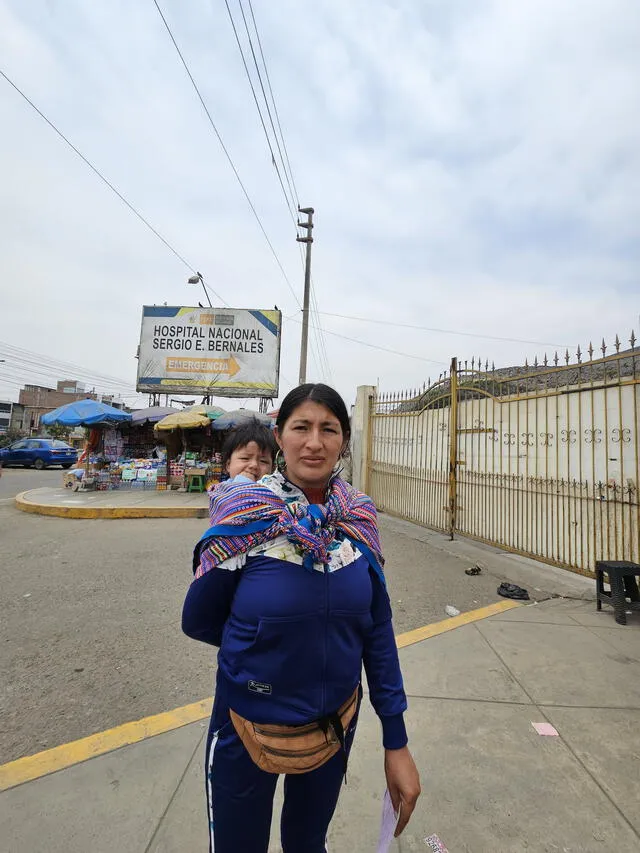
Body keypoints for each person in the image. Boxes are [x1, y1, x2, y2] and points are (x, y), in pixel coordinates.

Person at [182, 384, 420, 853]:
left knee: (308, 844)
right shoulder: (246, 514)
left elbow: (376, 633)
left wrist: (397, 741)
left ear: (343, 441)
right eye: (301, 428)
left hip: (333, 729)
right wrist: (263, 653)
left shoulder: (358, 519)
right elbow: (200, 620)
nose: (315, 442)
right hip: (245, 727)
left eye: (328, 429)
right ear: (280, 437)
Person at [218, 419, 277, 483]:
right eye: (245, 458)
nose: (254, 465)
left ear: (272, 469)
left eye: (263, 461)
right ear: (228, 465)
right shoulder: (219, 490)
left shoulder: (272, 491)